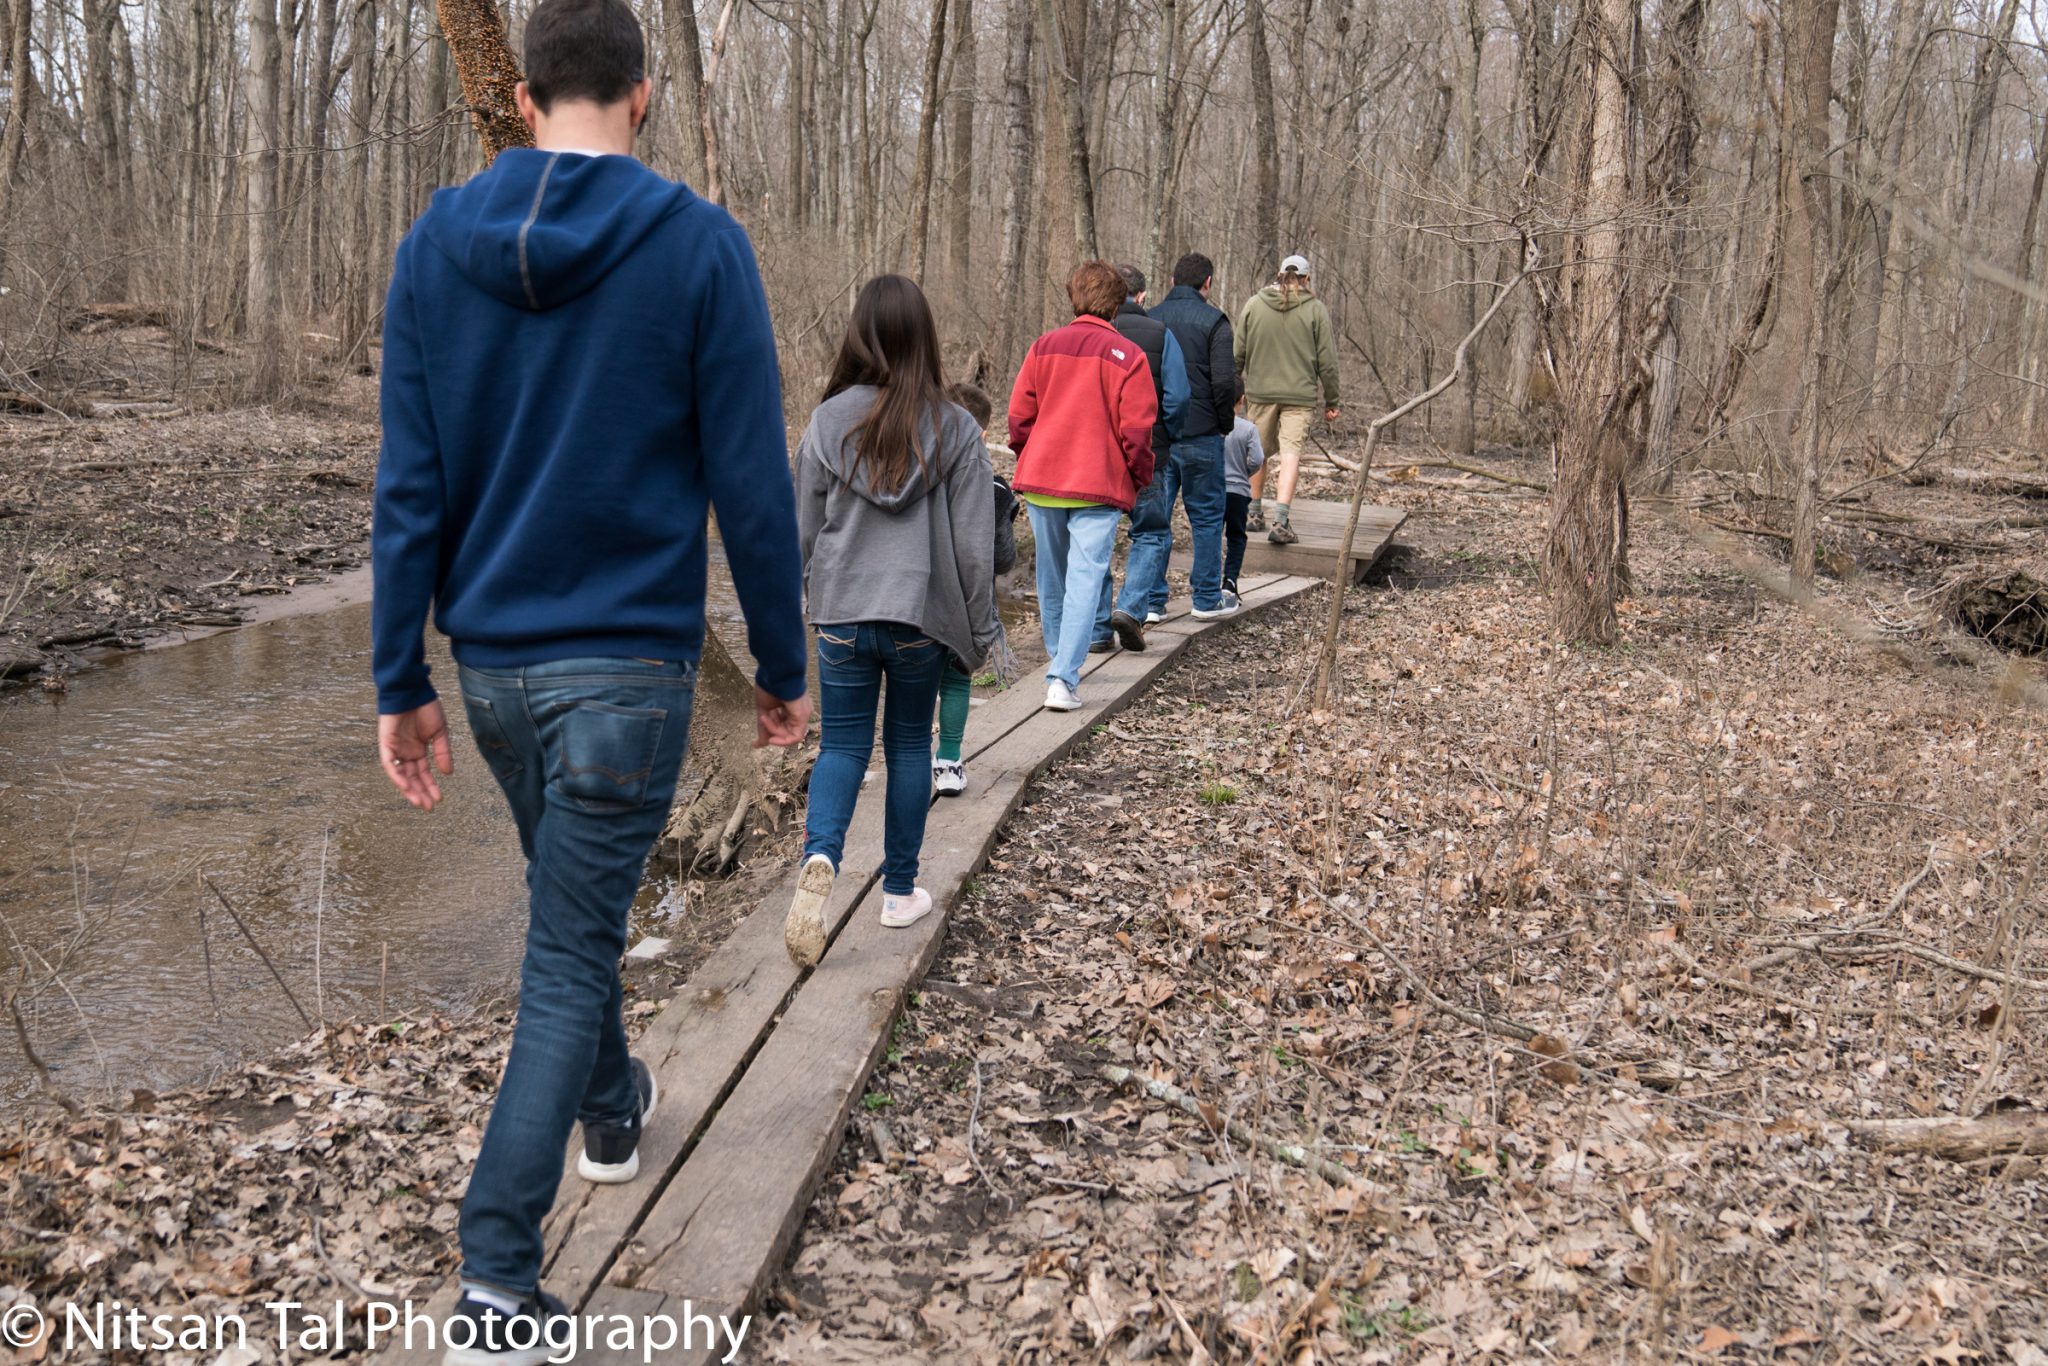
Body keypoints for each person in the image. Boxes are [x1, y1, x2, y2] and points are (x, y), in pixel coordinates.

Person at [370, 0, 810, 1357]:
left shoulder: (434, 249)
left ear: (517, 95)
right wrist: (786, 668)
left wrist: (401, 674)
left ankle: (612, 1108)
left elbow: (409, 488)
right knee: (571, 941)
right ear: (644, 93)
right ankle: (498, 1273)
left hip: (491, 668)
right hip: (623, 668)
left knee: (571, 914)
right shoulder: (695, 246)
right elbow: (752, 484)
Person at [782, 276, 997, 968]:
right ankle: (900, 892)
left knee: (841, 748)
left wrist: (791, 609)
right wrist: (983, 631)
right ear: (925, 340)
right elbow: (974, 545)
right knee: (909, 748)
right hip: (918, 617)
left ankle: (820, 858)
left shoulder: (824, 422)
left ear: (858, 336)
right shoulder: (957, 427)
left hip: (841, 611)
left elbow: (802, 531)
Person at [1008, 261, 1158, 712]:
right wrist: (1138, 475)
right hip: (1098, 485)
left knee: (1053, 580)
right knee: (1085, 579)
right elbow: (1138, 432)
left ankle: (1059, 666)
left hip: (1043, 481)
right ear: (1117, 304)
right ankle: (1061, 677)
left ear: (1074, 297)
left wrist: (1031, 453)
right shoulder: (1129, 357)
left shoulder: (1043, 347)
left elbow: (1019, 419)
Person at [1136, 251, 1242, 621]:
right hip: (1201, 436)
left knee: (1155, 519)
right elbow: (1224, 381)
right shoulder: (1215, 322)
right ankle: (1206, 598)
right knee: (1208, 518)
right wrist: (1223, 423)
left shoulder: (1150, 320)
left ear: (1171, 281)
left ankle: (1151, 602)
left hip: (1158, 439)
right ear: (1207, 284)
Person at [1096, 263, 1189, 653]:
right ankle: (1132, 609)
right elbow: (1179, 396)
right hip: (1150, 452)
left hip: (1100, 455)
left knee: (1096, 538)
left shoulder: (1095, 336)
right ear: (1142, 296)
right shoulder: (1161, 334)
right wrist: (1165, 432)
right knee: (1150, 532)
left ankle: (1098, 629)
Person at [931, 381, 1016, 797]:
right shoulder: (995, 487)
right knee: (957, 677)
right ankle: (948, 760)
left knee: (914, 680)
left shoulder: (916, 470)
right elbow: (1001, 559)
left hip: (916, 598)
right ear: (982, 434)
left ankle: (910, 759)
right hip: (966, 601)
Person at [1236, 253, 1341, 544]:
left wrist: (1234, 389)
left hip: (1260, 393)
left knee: (1258, 452)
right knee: (1290, 453)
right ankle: (1281, 519)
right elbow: (1328, 361)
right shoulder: (1315, 310)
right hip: (1299, 395)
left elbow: (1238, 351)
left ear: (1279, 274)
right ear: (1307, 279)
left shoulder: (1255, 304)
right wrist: (1332, 400)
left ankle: (1253, 512)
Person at [1223, 398, 1267, 597]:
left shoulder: (1209, 425)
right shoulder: (1248, 428)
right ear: (1241, 400)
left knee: (1211, 534)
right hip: (1238, 491)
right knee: (1236, 536)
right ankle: (1230, 582)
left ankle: (1207, 583)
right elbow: (1257, 459)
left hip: (1213, 489)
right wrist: (1244, 472)